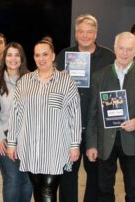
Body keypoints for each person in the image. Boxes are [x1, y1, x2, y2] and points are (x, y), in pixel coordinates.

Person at [7, 37, 82, 202]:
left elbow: (75, 115)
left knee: (48, 190)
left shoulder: (66, 82)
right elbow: (16, 114)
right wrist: (12, 142)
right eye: (37, 55)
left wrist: (75, 144)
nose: (41, 59)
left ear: (53, 56)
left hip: (55, 147)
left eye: (45, 54)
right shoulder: (25, 82)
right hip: (30, 146)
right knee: (37, 187)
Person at [55, 14, 115, 202]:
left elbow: (115, 89)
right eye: (81, 31)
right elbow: (53, 88)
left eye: (89, 32)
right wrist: (60, 78)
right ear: (76, 33)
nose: (85, 35)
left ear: (96, 33)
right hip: (68, 126)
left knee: (96, 178)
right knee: (67, 176)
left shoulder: (108, 57)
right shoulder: (65, 55)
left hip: (96, 128)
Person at [86, 32, 135, 202]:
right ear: (115, 48)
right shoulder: (99, 76)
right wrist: (91, 144)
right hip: (105, 142)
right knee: (104, 190)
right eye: (121, 48)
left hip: (132, 142)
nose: (125, 53)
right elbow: (92, 114)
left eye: (130, 49)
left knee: (133, 191)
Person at [0, 42, 32, 202]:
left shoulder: (32, 80)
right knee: (13, 178)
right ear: (4, 58)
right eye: (9, 55)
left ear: (22, 58)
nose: (13, 58)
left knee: (27, 180)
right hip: (5, 135)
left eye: (17, 55)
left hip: (28, 136)